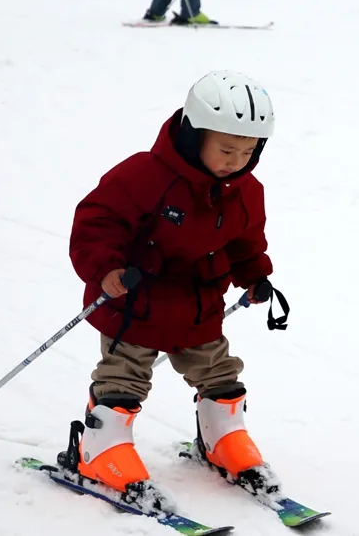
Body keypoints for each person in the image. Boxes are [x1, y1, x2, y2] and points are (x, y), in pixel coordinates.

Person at [66, 72, 282, 500]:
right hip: (135, 302)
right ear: (192, 134)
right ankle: (100, 447)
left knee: (219, 372)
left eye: (247, 150)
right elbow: (96, 223)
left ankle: (223, 437)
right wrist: (107, 269)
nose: (236, 159)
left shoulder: (246, 191)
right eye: (225, 149)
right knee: (123, 377)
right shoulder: (144, 175)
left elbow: (245, 240)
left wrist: (255, 275)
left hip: (199, 306)